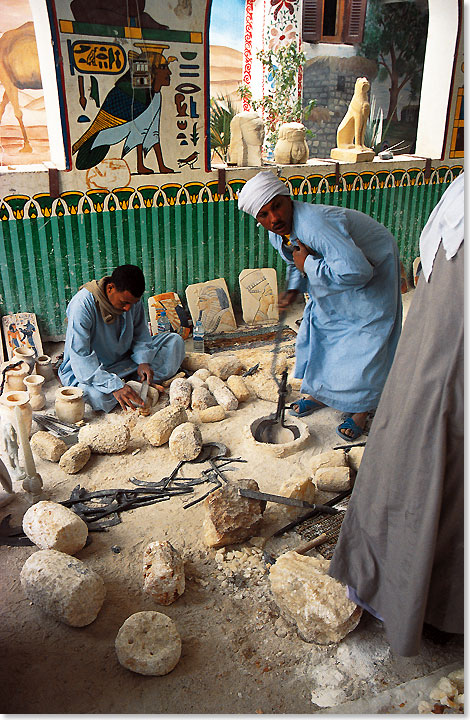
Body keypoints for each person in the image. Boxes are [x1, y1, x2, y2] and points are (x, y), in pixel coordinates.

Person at [328, 172, 464, 656]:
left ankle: (358, 410)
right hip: (372, 311)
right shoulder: (289, 230)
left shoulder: (314, 225)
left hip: (367, 293)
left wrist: (314, 274)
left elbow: (353, 271)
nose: (268, 222)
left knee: (366, 361)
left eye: (269, 213)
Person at [237, 171, 402, 441]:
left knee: (364, 340)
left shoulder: (315, 224)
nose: (274, 219)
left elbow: (359, 272)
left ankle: (361, 409)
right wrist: (293, 288)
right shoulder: (277, 233)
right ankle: (322, 394)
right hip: (338, 271)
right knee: (323, 331)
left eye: (277, 207)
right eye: (264, 215)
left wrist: (310, 266)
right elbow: (295, 260)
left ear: (288, 199)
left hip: (373, 268)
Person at [59, 264, 185, 412]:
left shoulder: (130, 302)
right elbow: (81, 356)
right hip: (93, 369)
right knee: (98, 397)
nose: (127, 309)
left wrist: (143, 361)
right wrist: (114, 386)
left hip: (125, 360)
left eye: (132, 303)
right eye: (124, 303)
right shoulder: (82, 305)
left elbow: (140, 334)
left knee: (175, 342)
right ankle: (128, 386)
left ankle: (132, 384)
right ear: (110, 288)